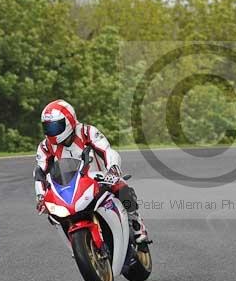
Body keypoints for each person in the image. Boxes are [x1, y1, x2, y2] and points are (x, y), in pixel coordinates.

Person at [33, 99, 150, 244]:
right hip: (71, 187)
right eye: (48, 127)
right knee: (54, 214)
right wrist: (40, 195)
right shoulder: (45, 146)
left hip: (99, 178)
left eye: (55, 126)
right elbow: (40, 171)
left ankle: (136, 221)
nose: (51, 131)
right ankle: (76, 246)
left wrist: (113, 167)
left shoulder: (87, 131)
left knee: (122, 187)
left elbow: (107, 150)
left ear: (69, 121)